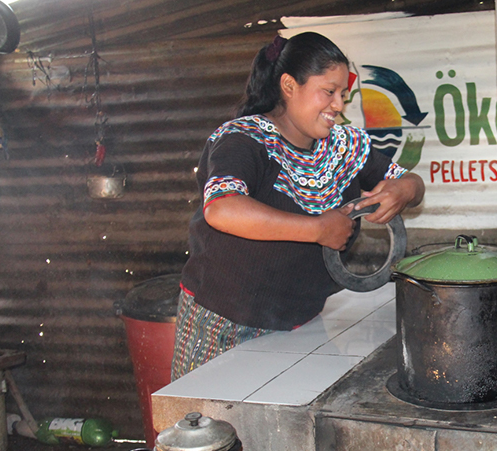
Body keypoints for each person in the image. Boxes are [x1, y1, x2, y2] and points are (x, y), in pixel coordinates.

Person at [172, 32, 425, 380]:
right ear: (289, 86)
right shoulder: (244, 139)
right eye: (329, 91)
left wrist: (403, 189)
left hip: (300, 321)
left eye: (343, 95)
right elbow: (222, 208)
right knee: (209, 428)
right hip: (223, 325)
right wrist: (319, 229)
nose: (338, 105)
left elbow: (413, 183)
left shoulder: (344, 147)